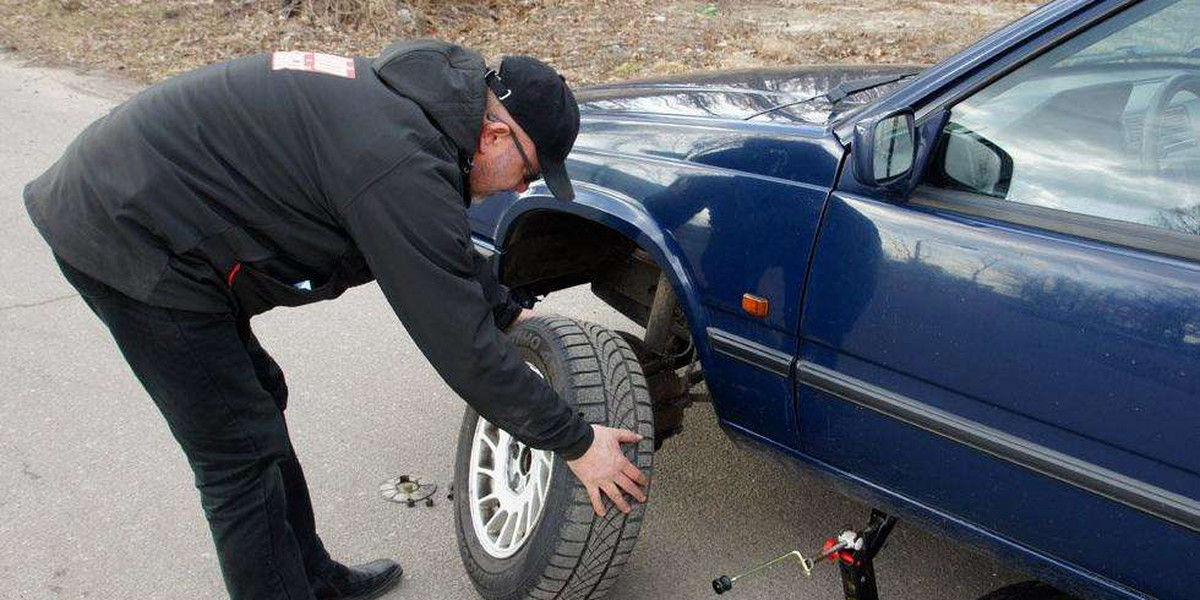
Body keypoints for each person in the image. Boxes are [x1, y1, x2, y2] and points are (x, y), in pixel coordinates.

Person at [23, 39, 649, 600]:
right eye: (530, 171)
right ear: (493, 135)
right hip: (129, 233)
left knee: (258, 399)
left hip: (152, 204)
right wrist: (574, 441)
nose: (519, 190)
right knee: (237, 449)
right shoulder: (398, 160)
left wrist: (504, 312)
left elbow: (440, 250)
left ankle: (312, 576)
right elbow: (458, 344)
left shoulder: (416, 117)